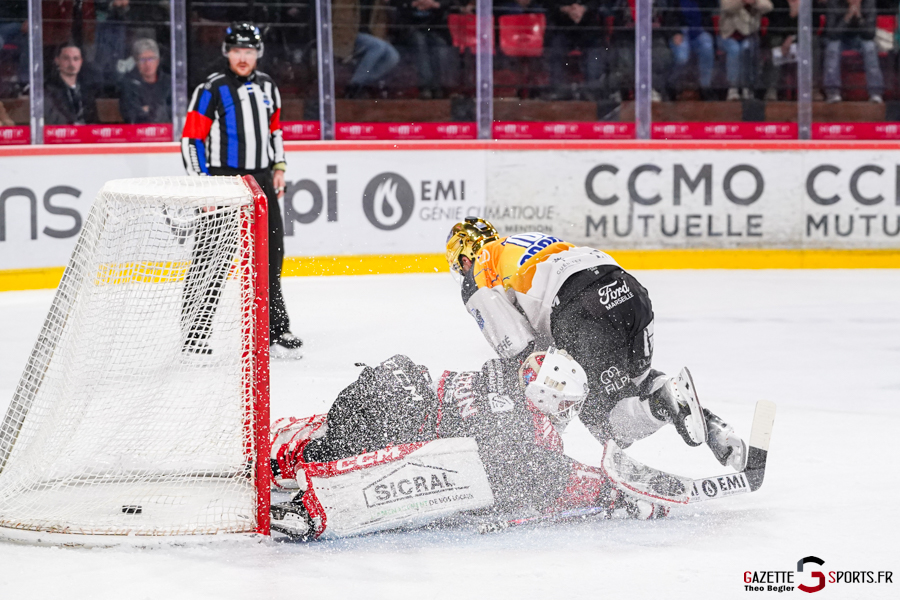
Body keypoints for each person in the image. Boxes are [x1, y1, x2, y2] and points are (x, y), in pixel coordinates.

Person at [267, 349, 685, 539]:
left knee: (328, 436)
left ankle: (281, 453)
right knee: (411, 455)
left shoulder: (502, 374)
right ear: (544, 395)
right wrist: (607, 489)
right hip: (391, 418)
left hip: (384, 388)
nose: (568, 413)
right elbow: (533, 473)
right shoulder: (516, 422)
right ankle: (304, 499)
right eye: (566, 403)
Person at [443, 218, 746, 467]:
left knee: (605, 422)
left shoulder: (478, 273)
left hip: (581, 308)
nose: (462, 274)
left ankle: (537, 468)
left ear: (465, 257)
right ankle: (711, 426)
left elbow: (524, 354)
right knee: (634, 386)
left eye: (459, 266)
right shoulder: (522, 241)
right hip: (628, 291)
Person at [181, 22, 303, 358]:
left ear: (258, 53)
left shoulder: (268, 86)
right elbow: (192, 140)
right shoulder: (211, 88)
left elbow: (275, 130)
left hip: (261, 183)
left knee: (270, 257)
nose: (243, 57)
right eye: (237, 50)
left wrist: (278, 165)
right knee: (211, 260)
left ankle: (275, 331)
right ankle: (195, 335)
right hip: (223, 183)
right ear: (226, 53)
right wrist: (203, 187)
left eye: (249, 50)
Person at [390, 0, 457, 98]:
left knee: (439, 43)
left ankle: (439, 86)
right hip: (408, 29)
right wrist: (411, 4)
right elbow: (394, 4)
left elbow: (452, 3)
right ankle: (425, 86)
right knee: (419, 41)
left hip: (434, 29)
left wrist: (435, 4)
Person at [822, 0, 884, 103]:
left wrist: (859, 17)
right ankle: (832, 92)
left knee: (870, 47)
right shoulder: (834, 2)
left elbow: (870, 34)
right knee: (832, 47)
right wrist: (847, 17)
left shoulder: (868, 3)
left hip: (860, 38)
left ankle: (875, 93)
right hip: (840, 39)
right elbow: (831, 34)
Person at [719, 0, 773, 100]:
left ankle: (747, 88)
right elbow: (727, 6)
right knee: (735, 50)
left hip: (749, 35)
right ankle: (733, 88)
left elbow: (768, 6)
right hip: (728, 36)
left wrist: (754, 2)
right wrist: (743, 1)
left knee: (747, 49)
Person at [667, 0, 719, 99]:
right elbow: (669, 16)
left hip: (699, 30)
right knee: (682, 57)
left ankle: (705, 86)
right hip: (680, 30)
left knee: (707, 46)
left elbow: (711, 7)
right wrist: (675, 32)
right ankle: (672, 85)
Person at [44, 43, 100, 126]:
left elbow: (93, 119)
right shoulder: (48, 89)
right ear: (57, 61)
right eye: (66, 58)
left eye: (76, 59)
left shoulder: (86, 89)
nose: (71, 63)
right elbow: (54, 119)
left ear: (81, 62)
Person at [119, 38, 171, 124]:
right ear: (136, 62)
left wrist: (149, 109)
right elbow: (130, 114)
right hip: (137, 133)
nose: (147, 64)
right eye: (142, 60)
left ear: (157, 61)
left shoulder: (168, 82)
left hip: (166, 132)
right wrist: (158, 109)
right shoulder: (128, 83)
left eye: (151, 59)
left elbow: (177, 110)